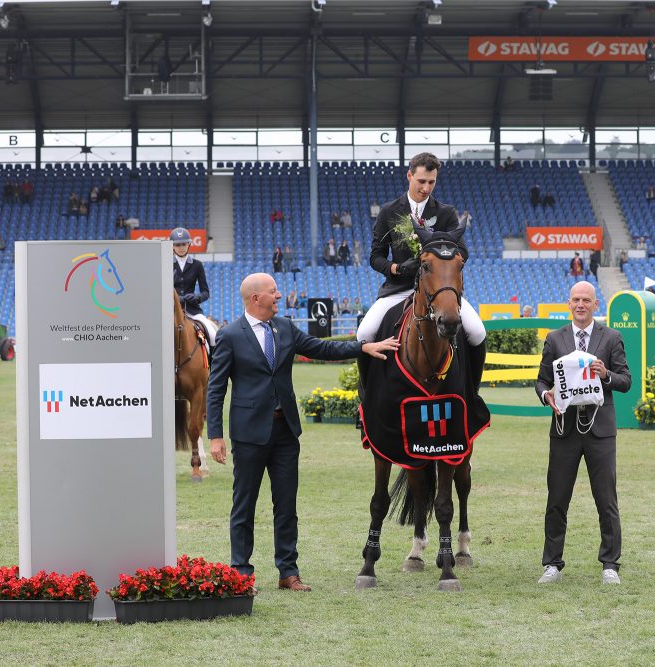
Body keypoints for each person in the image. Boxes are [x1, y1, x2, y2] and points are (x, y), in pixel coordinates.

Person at [206, 272, 399, 591]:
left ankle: (288, 571)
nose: (279, 296)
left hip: (285, 433)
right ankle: (241, 572)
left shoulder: (284, 328)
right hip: (249, 435)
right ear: (256, 298)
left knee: (287, 505)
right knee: (244, 506)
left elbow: (322, 349)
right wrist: (215, 436)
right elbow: (216, 389)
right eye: (273, 292)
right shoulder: (229, 336)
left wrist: (364, 347)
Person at [360, 152, 487, 386]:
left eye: (432, 182)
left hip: (438, 289)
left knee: (477, 332)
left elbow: (463, 252)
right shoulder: (389, 212)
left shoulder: (445, 213)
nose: (426, 188)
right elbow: (375, 257)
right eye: (421, 182)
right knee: (364, 334)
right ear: (409, 176)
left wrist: (441, 254)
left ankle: (473, 394)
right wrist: (397, 268)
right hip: (399, 288)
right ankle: (366, 399)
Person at [535, 281, 631, 585]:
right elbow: (541, 381)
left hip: (600, 430)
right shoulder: (554, 338)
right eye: (575, 299)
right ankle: (552, 563)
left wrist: (606, 375)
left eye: (586, 300)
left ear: (595, 304)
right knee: (557, 498)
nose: (580, 304)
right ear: (568, 303)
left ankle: (610, 564)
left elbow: (626, 380)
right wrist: (545, 396)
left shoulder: (612, 338)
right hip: (564, 429)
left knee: (606, 499)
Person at [171, 227, 217, 349]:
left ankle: (214, 366)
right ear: (172, 246)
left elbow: (205, 292)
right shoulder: (166, 263)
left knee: (213, 335)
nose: (181, 247)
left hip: (192, 309)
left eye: (184, 244)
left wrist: (197, 297)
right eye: (177, 244)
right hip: (170, 310)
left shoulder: (197, 265)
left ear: (189, 245)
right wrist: (176, 298)